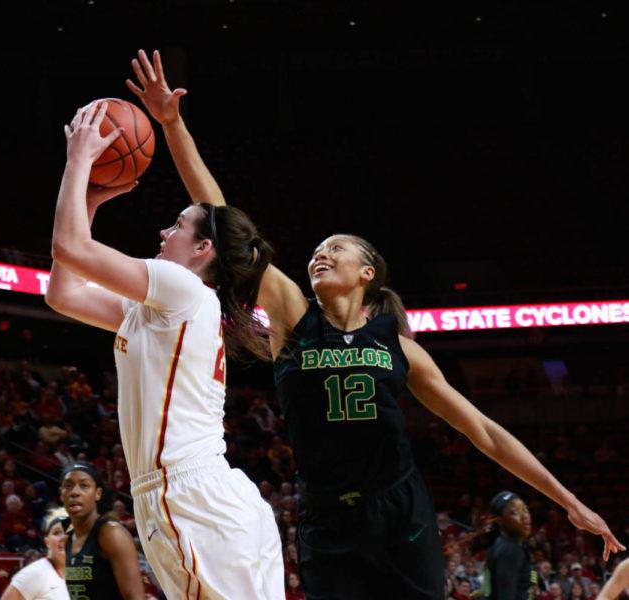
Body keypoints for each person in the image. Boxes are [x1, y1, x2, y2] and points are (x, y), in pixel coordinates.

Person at [123, 47, 625, 600]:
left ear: (366, 271)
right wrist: (173, 125)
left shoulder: (400, 348)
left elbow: (482, 431)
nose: (319, 253)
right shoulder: (293, 316)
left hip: (400, 516)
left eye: (334, 248)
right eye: (316, 249)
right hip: (325, 519)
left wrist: (568, 501)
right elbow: (218, 214)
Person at [44, 96, 283, 598]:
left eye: (177, 225)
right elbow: (63, 293)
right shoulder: (165, 307)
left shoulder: (182, 288)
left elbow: (71, 248)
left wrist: (79, 163)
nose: (163, 230)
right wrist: (87, 201)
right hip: (207, 496)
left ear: (203, 249)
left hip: (188, 494)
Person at [58, 464, 144, 600]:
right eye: (68, 486)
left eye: (84, 486)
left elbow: (135, 597)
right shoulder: (65, 540)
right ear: (61, 494)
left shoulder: (111, 533)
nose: (74, 492)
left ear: (97, 494)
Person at [2, 508, 69, 600]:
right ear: (47, 542)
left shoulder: (83, 575)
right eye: (57, 532)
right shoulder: (35, 573)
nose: (63, 537)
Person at [480, 491, 535, 599]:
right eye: (514, 512)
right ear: (500, 520)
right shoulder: (510, 550)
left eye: (525, 509)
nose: (524, 516)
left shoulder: (502, 545)